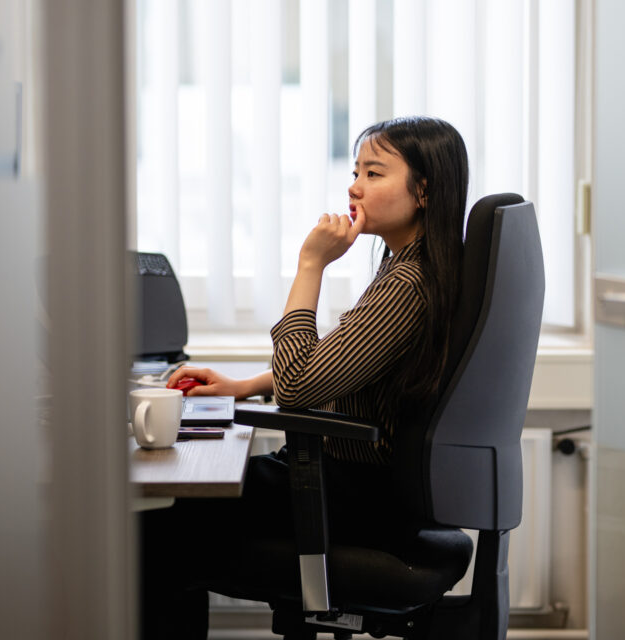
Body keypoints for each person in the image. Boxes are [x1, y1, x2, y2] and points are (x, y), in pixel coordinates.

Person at [140, 115, 469, 639]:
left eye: (374, 173)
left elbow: (297, 387)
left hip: (352, 495)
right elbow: (334, 369)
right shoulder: (414, 265)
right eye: (356, 170)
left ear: (423, 190)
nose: (354, 185)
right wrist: (244, 386)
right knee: (177, 514)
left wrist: (310, 264)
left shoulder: (408, 284)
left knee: (151, 531)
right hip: (367, 489)